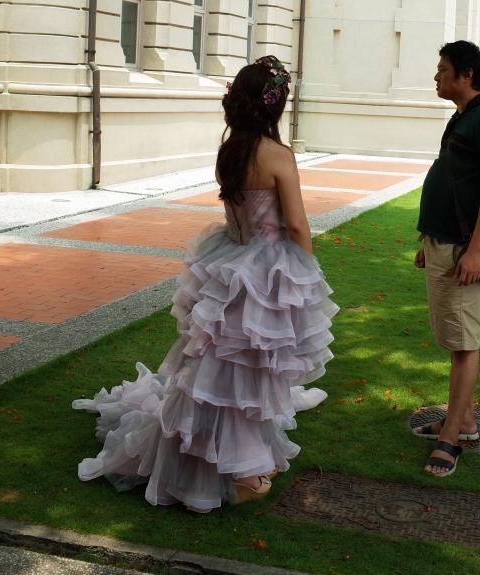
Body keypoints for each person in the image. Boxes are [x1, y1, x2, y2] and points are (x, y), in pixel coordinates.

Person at [73, 56, 336, 512]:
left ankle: (228, 457)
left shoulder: (229, 152)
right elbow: (296, 224)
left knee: (218, 364)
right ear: (274, 105)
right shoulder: (277, 155)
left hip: (229, 260)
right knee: (247, 367)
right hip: (267, 269)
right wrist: (307, 271)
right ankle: (236, 467)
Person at [413, 40, 480, 478]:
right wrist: (428, 239)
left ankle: (451, 436)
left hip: (462, 249)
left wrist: (473, 250)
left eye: (443, 69)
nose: (436, 76)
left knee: (464, 344)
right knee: (454, 340)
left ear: (466, 74)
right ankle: (464, 419)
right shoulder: (463, 116)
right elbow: (452, 178)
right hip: (442, 243)